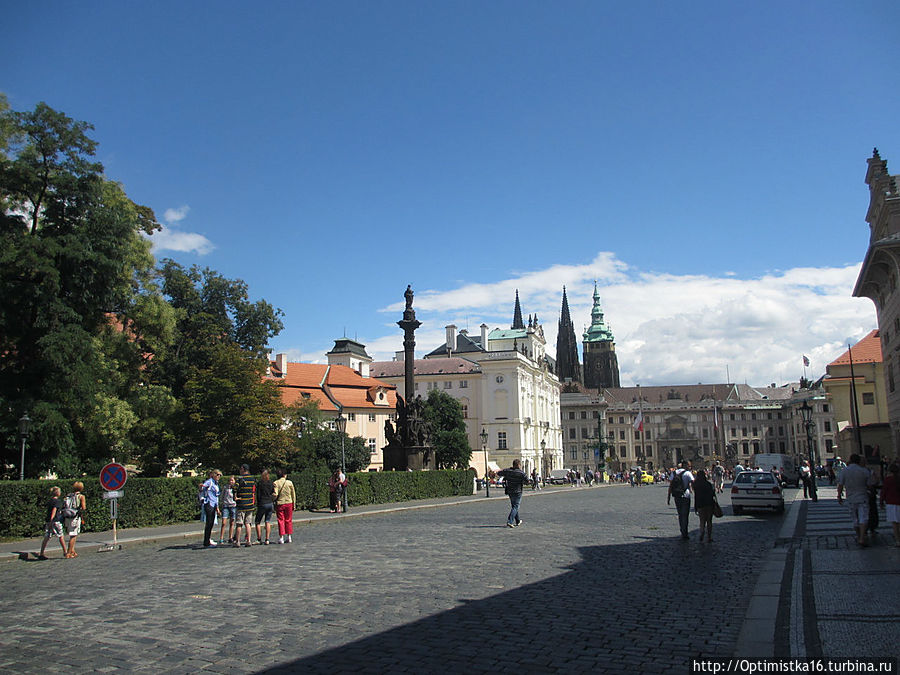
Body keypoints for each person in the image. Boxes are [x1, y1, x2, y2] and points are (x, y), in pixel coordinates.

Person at [837, 453, 877, 547]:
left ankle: (859, 536)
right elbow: (870, 484)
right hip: (862, 496)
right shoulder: (863, 471)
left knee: (855, 518)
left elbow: (840, 485)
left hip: (850, 497)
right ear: (858, 461)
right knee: (863, 517)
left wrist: (839, 496)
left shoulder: (845, 471)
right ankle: (862, 538)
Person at [667, 461, 694, 540]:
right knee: (685, 515)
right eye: (689, 466)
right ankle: (685, 532)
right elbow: (693, 483)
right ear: (685, 465)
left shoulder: (674, 473)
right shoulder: (688, 473)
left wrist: (668, 497)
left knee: (680, 514)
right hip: (686, 496)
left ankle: (682, 531)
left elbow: (670, 486)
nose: (690, 467)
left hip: (677, 496)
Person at [38, 486, 67, 560]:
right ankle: (65, 552)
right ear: (58, 493)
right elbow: (54, 511)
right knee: (61, 536)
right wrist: (52, 520)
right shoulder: (57, 502)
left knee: (47, 536)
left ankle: (41, 553)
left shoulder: (50, 501)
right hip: (55, 521)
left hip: (48, 521)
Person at [498, 459, 528, 527]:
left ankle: (518, 520)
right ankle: (510, 521)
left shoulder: (508, 471)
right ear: (519, 465)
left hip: (510, 491)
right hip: (518, 491)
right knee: (516, 506)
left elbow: (499, 473)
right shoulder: (521, 473)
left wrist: (506, 475)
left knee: (514, 506)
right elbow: (527, 481)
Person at [234, 464, 256, 547]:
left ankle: (238, 541)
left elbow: (234, 488)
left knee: (239, 523)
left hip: (241, 503)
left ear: (243, 469)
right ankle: (248, 540)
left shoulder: (240, 479)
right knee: (248, 523)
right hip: (250, 503)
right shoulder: (252, 479)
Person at [63, 481, 87, 558]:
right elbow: (84, 508)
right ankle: (68, 553)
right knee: (73, 535)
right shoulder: (81, 496)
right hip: (75, 517)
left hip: (67, 516)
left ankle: (73, 551)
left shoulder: (69, 495)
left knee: (71, 533)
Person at [880, 462, 900, 547]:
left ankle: (898, 540)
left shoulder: (888, 480)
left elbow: (884, 492)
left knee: (895, 523)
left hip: (891, 503)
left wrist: (881, 502)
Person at [273, 469, 296, 544]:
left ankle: (281, 537)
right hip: (289, 502)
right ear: (284, 475)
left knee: (281, 520)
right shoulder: (289, 483)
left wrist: (273, 499)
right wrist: (294, 504)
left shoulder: (276, 483)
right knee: (288, 520)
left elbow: (275, 494)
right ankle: (289, 537)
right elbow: (293, 494)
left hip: (280, 503)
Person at [199, 470, 221, 548]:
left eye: (220, 475)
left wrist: (217, 507)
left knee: (211, 523)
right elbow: (202, 487)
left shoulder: (216, 483)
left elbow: (216, 496)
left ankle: (208, 539)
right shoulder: (209, 482)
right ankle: (206, 542)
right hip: (209, 504)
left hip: (214, 504)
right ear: (214, 475)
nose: (219, 477)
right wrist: (201, 486)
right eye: (218, 475)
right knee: (209, 523)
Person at [693, 470, 716, 543]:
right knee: (709, 521)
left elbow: (696, 496)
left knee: (702, 520)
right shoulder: (708, 484)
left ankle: (702, 531)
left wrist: (695, 506)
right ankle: (709, 537)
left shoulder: (696, 485)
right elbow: (712, 494)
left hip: (700, 504)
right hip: (709, 504)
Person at [255, 469, 276, 545]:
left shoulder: (260, 483)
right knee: (267, 521)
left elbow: (258, 495)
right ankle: (267, 539)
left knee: (257, 521)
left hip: (263, 503)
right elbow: (273, 492)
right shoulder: (271, 483)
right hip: (270, 503)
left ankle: (259, 538)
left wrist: (258, 503)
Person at [218, 475, 237, 544]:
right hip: (226, 506)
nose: (231, 482)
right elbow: (222, 496)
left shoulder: (236, 488)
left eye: (232, 480)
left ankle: (230, 537)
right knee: (224, 522)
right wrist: (222, 503)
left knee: (232, 522)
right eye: (230, 480)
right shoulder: (226, 487)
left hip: (233, 506)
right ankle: (221, 538)